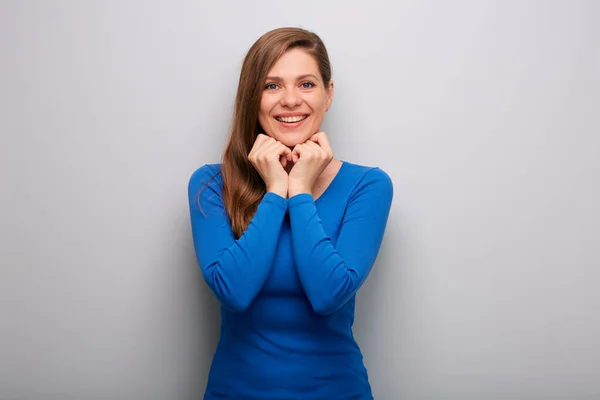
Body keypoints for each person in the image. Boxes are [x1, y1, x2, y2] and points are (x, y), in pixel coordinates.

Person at [188, 27, 393, 400]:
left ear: (328, 95)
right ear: (252, 97)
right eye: (271, 86)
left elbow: (328, 294)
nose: (290, 100)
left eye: (306, 85)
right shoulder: (210, 184)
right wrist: (274, 192)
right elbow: (233, 291)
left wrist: (298, 189)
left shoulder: (368, 186)